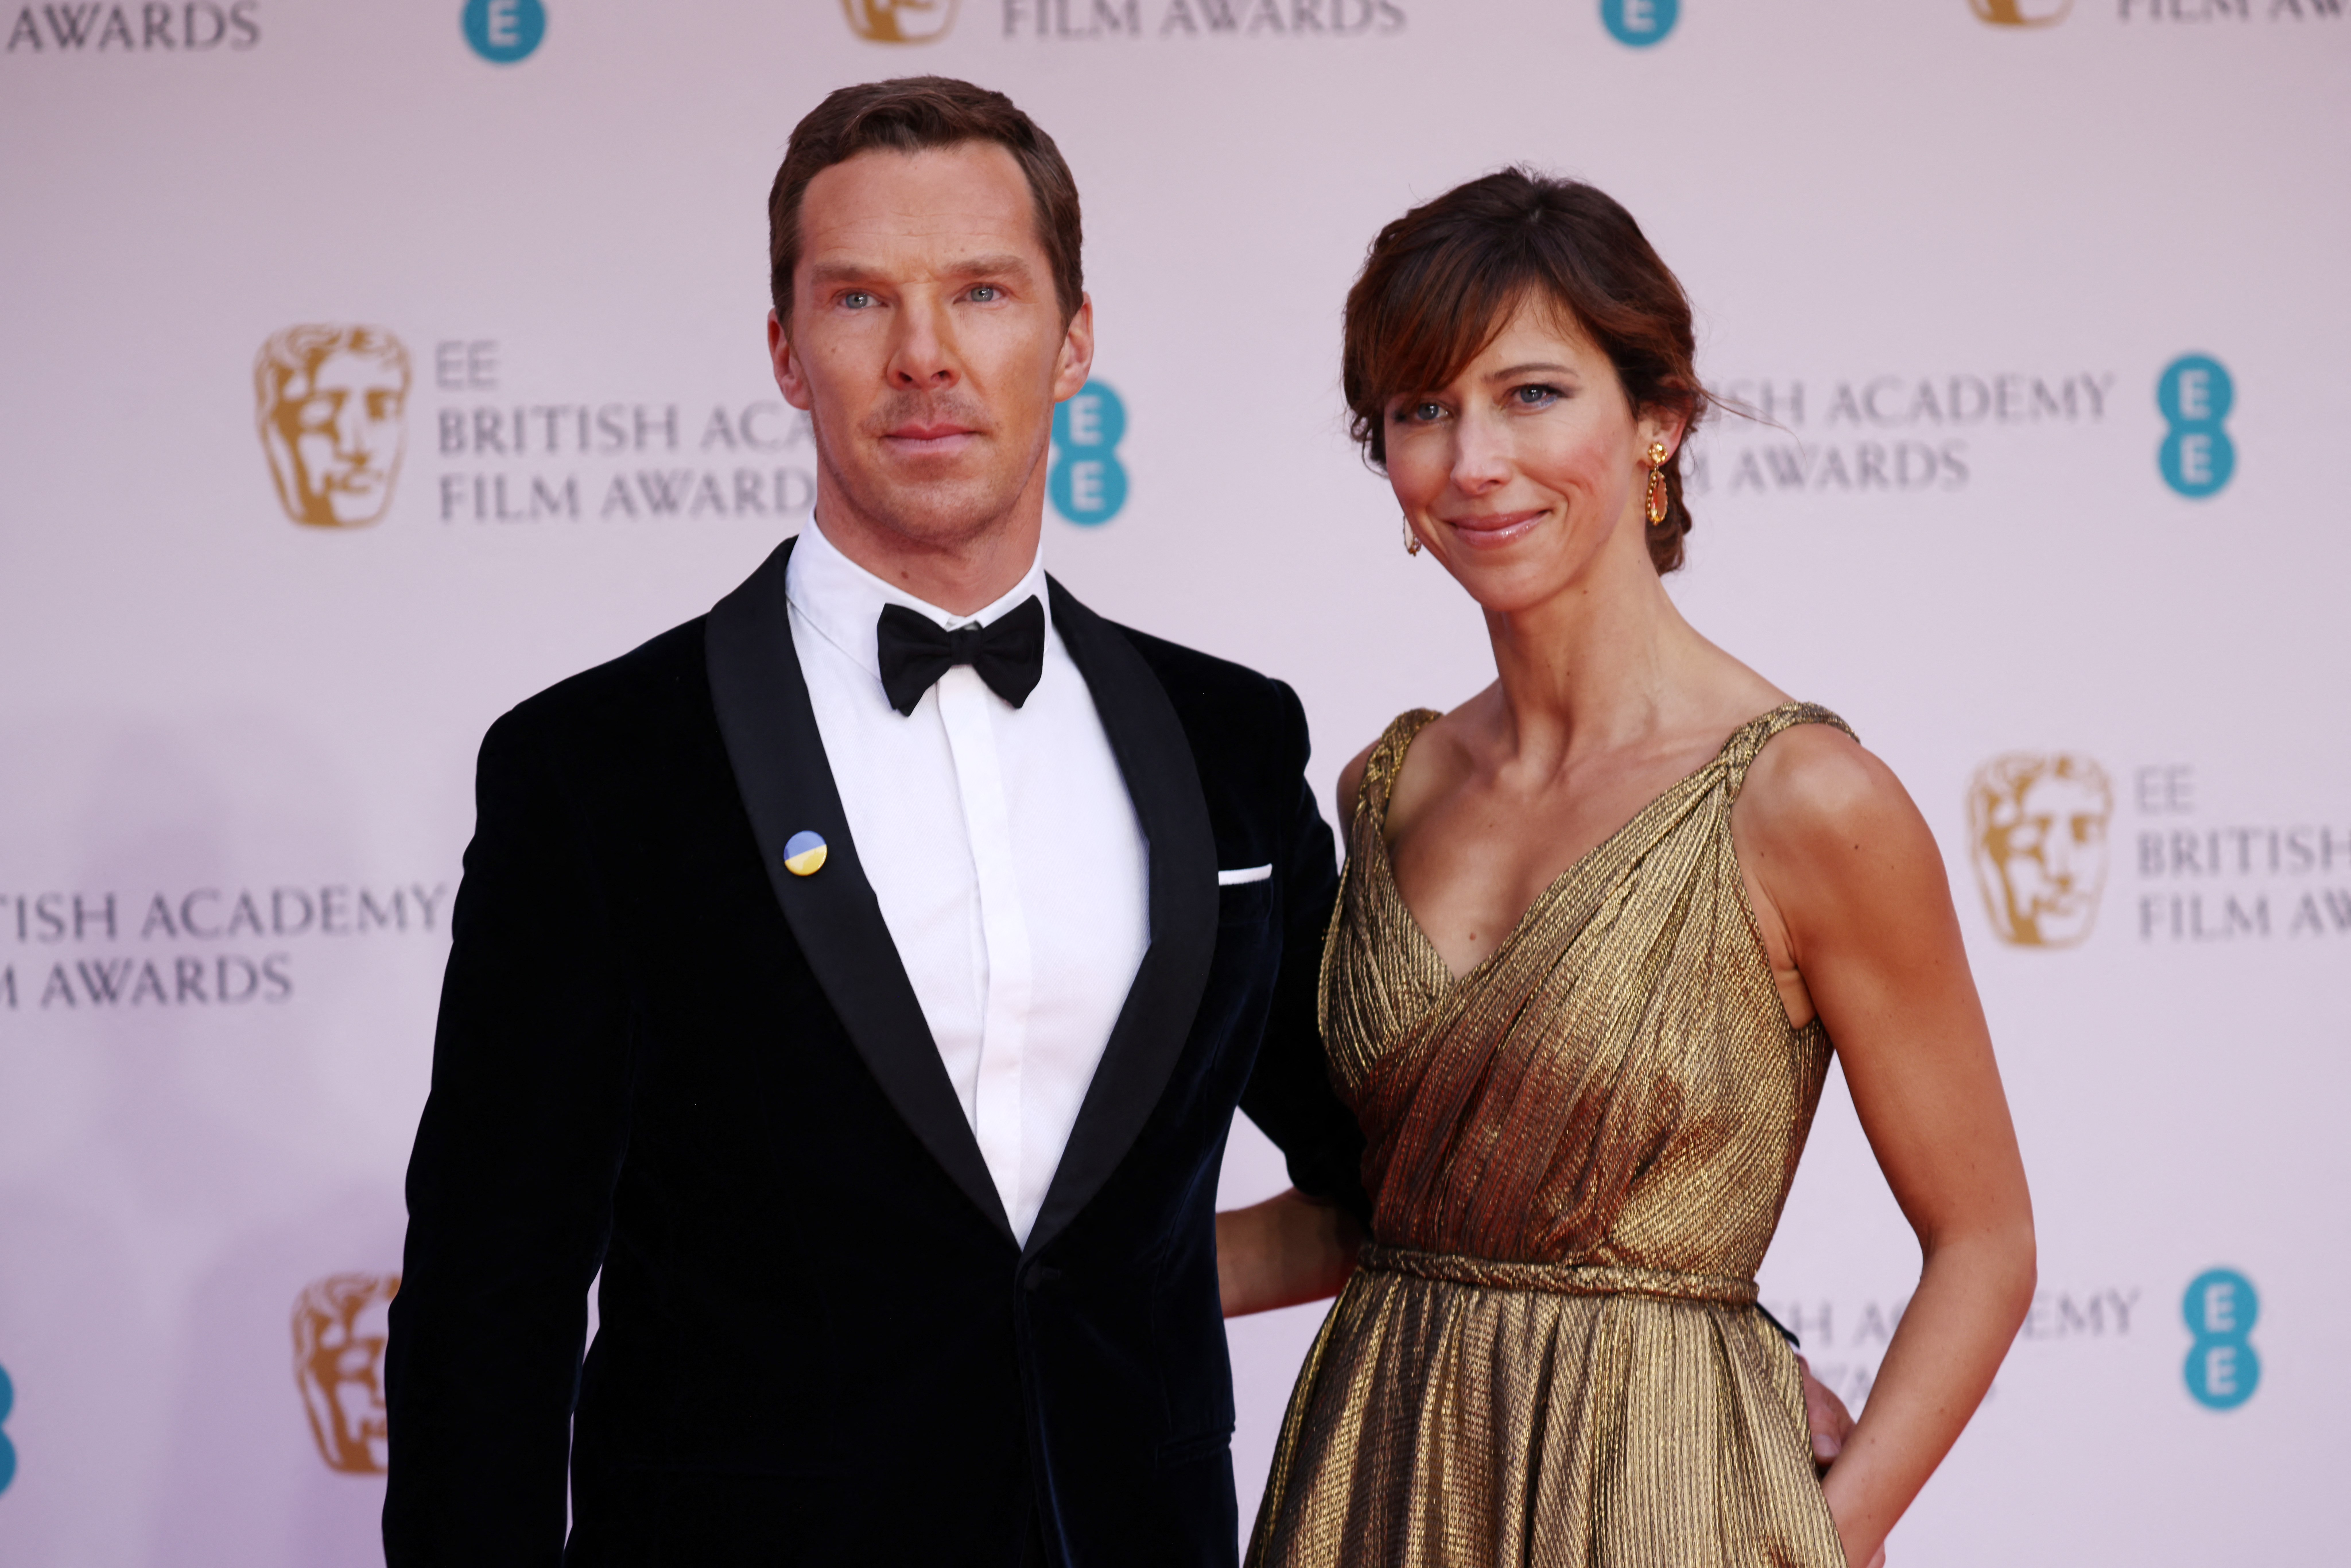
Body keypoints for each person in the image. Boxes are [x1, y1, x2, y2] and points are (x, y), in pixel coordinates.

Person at [379, 77, 1373, 1567]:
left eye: (982, 290)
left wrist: (1720, 1354)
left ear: (1075, 340)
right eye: (860, 300)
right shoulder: (597, 768)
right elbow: (488, 1303)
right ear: (786, 352)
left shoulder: (1230, 740)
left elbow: (1408, 1173)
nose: (925, 357)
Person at [1217, 170, 2036, 1568]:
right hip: (1373, 1480)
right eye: (1422, 411)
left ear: (1656, 419)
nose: (1473, 460)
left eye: (1531, 393)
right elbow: (1383, 1214)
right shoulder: (1388, 783)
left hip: (1669, 1504)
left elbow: (1984, 1245)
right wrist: (1033, 1282)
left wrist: (1812, 1538)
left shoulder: (1802, 799)